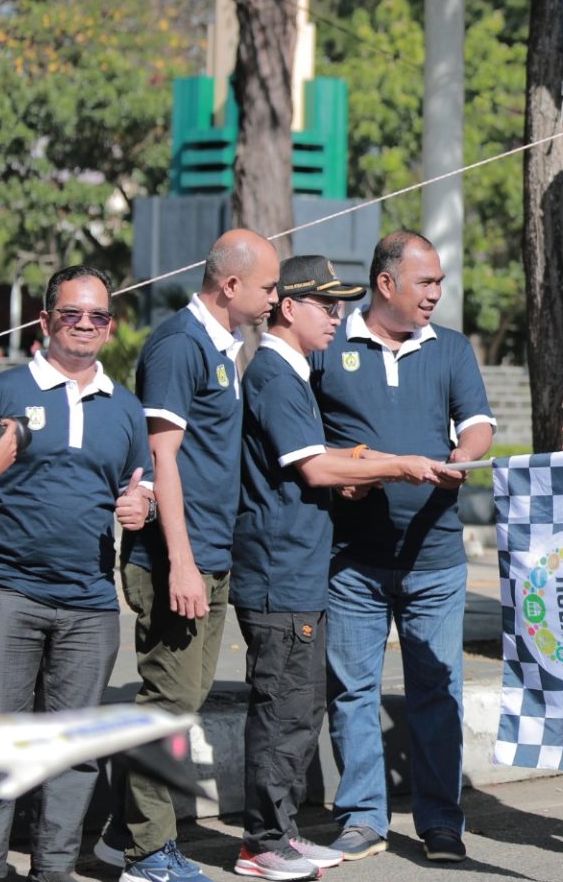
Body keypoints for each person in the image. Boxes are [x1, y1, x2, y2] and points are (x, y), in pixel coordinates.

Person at [229, 256, 455, 882]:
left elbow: (316, 456)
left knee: (299, 712)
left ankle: (282, 834)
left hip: (300, 569)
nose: (337, 316)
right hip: (280, 570)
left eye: (340, 305)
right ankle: (262, 843)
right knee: (282, 715)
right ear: (288, 308)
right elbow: (314, 468)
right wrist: (397, 464)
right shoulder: (275, 372)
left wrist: (356, 460)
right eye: (324, 305)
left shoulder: (292, 370)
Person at [309, 231, 493, 864]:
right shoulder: (329, 345)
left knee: (437, 692)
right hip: (351, 560)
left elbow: (478, 425)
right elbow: (303, 438)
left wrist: (461, 457)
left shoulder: (451, 348)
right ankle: (362, 817)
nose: (437, 293)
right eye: (426, 282)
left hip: (435, 559)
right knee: (352, 690)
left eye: (439, 281)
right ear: (385, 284)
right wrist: (348, 472)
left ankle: (441, 821)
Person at [0, 266, 145, 882]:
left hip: (91, 603)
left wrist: (140, 508)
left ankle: (55, 869)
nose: (85, 324)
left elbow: (138, 489)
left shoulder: (125, 407)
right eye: (72, 313)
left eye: (98, 316)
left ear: (110, 326)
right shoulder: (0, 393)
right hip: (6, 591)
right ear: (45, 320)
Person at [111, 230, 280, 882]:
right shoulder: (180, 345)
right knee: (169, 702)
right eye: (268, 287)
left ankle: (122, 832)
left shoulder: (221, 345)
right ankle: (147, 854)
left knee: (186, 697)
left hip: (210, 553)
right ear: (230, 285)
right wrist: (179, 560)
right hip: (175, 559)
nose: (275, 298)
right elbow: (163, 458)